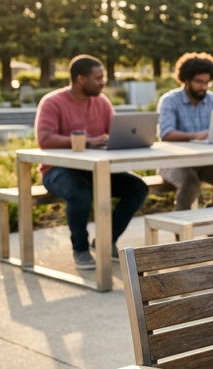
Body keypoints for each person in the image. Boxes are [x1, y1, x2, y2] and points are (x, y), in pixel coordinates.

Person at [35, 55, 149, 270]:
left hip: (95, 169)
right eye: (98, 78)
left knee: (138, 187)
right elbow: (45, 139)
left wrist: (126, 139)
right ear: (80, 79)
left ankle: (106, 241)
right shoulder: (52, 102)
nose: (103, 82)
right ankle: (81, 249)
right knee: (80, 192)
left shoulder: (102, 101)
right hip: (58, 169)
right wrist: (89, 141)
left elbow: (115, 132)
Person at [156, 52, 213, 210]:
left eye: (207, 82)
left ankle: (210, 221)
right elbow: (166, 134)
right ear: (186, 80)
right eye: (198, 82)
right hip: (174, 162)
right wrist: (196, 135)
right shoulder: (169, 101)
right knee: (190, 185)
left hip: (205, 162)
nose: (203, 86)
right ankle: (182, 232)